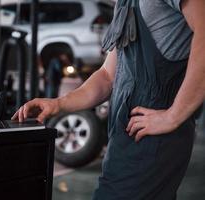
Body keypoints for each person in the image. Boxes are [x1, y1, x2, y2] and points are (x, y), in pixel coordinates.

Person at [12, 0, 205, 199]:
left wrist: (173, 116)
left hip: (151, 142)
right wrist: (59, 103)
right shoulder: (125, 3)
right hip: (123, 140)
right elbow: (107, 76)